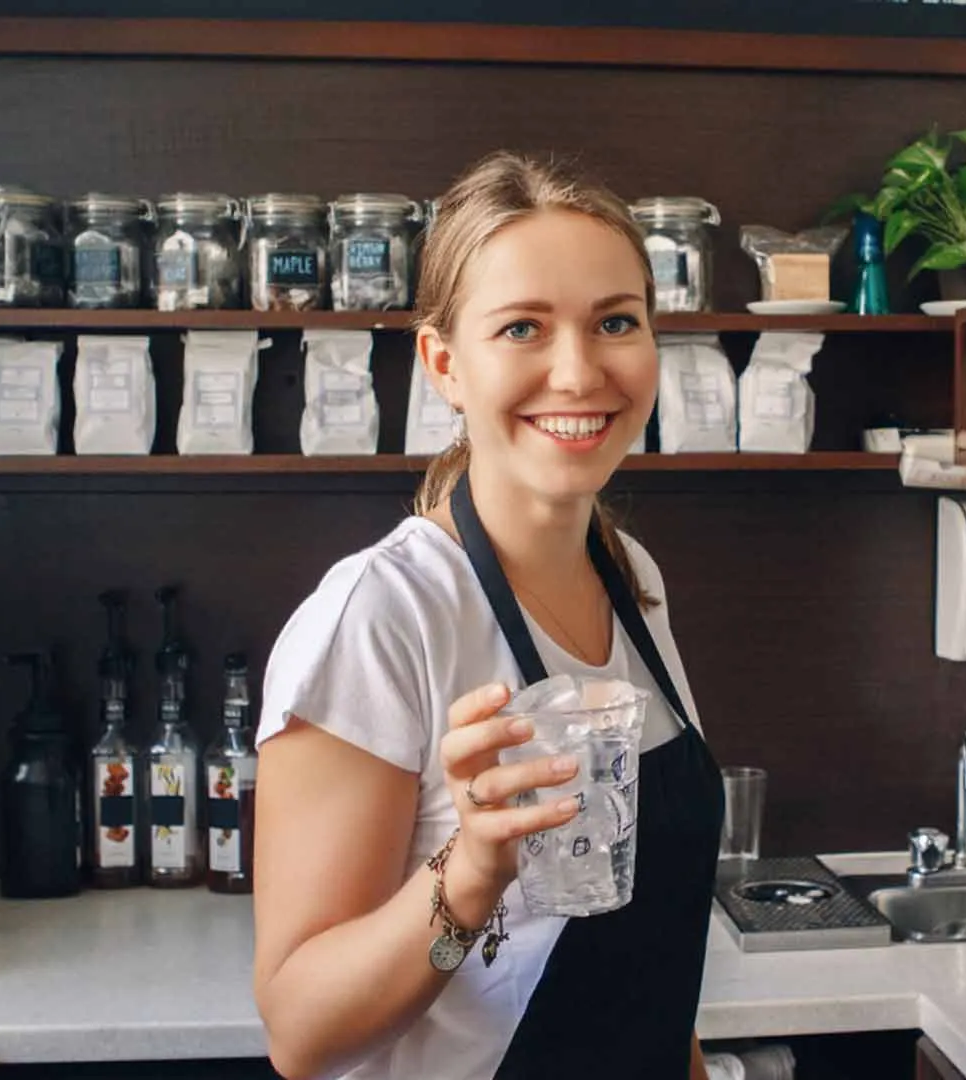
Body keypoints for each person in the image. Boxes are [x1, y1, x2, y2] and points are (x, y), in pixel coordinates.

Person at [251, 150, 723, 1080]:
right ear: (443, 363)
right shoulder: (383, 617)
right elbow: (304, 1036)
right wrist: (468, 876)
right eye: (522, 329)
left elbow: (648, 964)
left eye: (615, 322)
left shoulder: (635, 584)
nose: (579, 371)